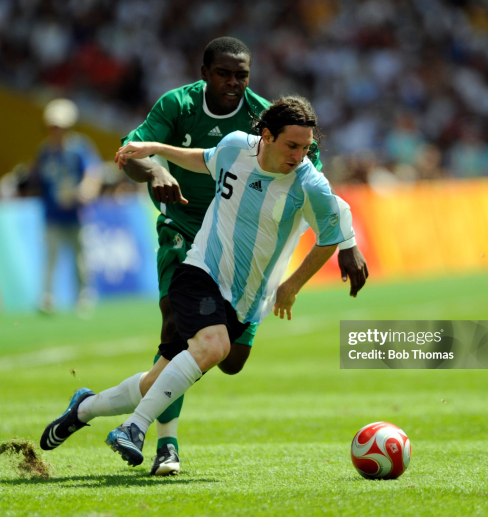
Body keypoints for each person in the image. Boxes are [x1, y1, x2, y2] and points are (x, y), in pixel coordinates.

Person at [40, 96, 356, 470]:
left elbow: (330, 236)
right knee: (214, 345)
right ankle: (135, 429)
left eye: (306, 147)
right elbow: (202, 158)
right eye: (292, 145)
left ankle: (85, 408)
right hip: (200, 271)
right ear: (267, 137)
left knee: (156, 383)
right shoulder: (237, 145)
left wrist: (292, 286)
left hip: (245, 299)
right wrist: (155, 150)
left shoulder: (310, 184)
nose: (299, 155)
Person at [117, 36, 368, 475]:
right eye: (223, 74)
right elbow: (134, 152)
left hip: (248, 253)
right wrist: (156, 165)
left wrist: (345, 243)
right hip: (187, 232)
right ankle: (161, 442)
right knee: (178, 330)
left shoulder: (271, 120)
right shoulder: (178, 105)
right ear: (204, 74)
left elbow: (321, 195)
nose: (233, 83)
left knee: (229, 359)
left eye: (242, 75)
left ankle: (90, 408)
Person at [26, 98, 102, 314]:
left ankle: (84, 297)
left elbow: (92, 172)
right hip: (52, 213)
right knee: (50, 258)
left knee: (81, 259)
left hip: (77, 214)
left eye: (58, 126)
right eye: (52, 126)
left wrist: (86, 190)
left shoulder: (79, 147)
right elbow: (37, 178)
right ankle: (47, 298)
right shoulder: (45, 151)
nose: (55, 130)